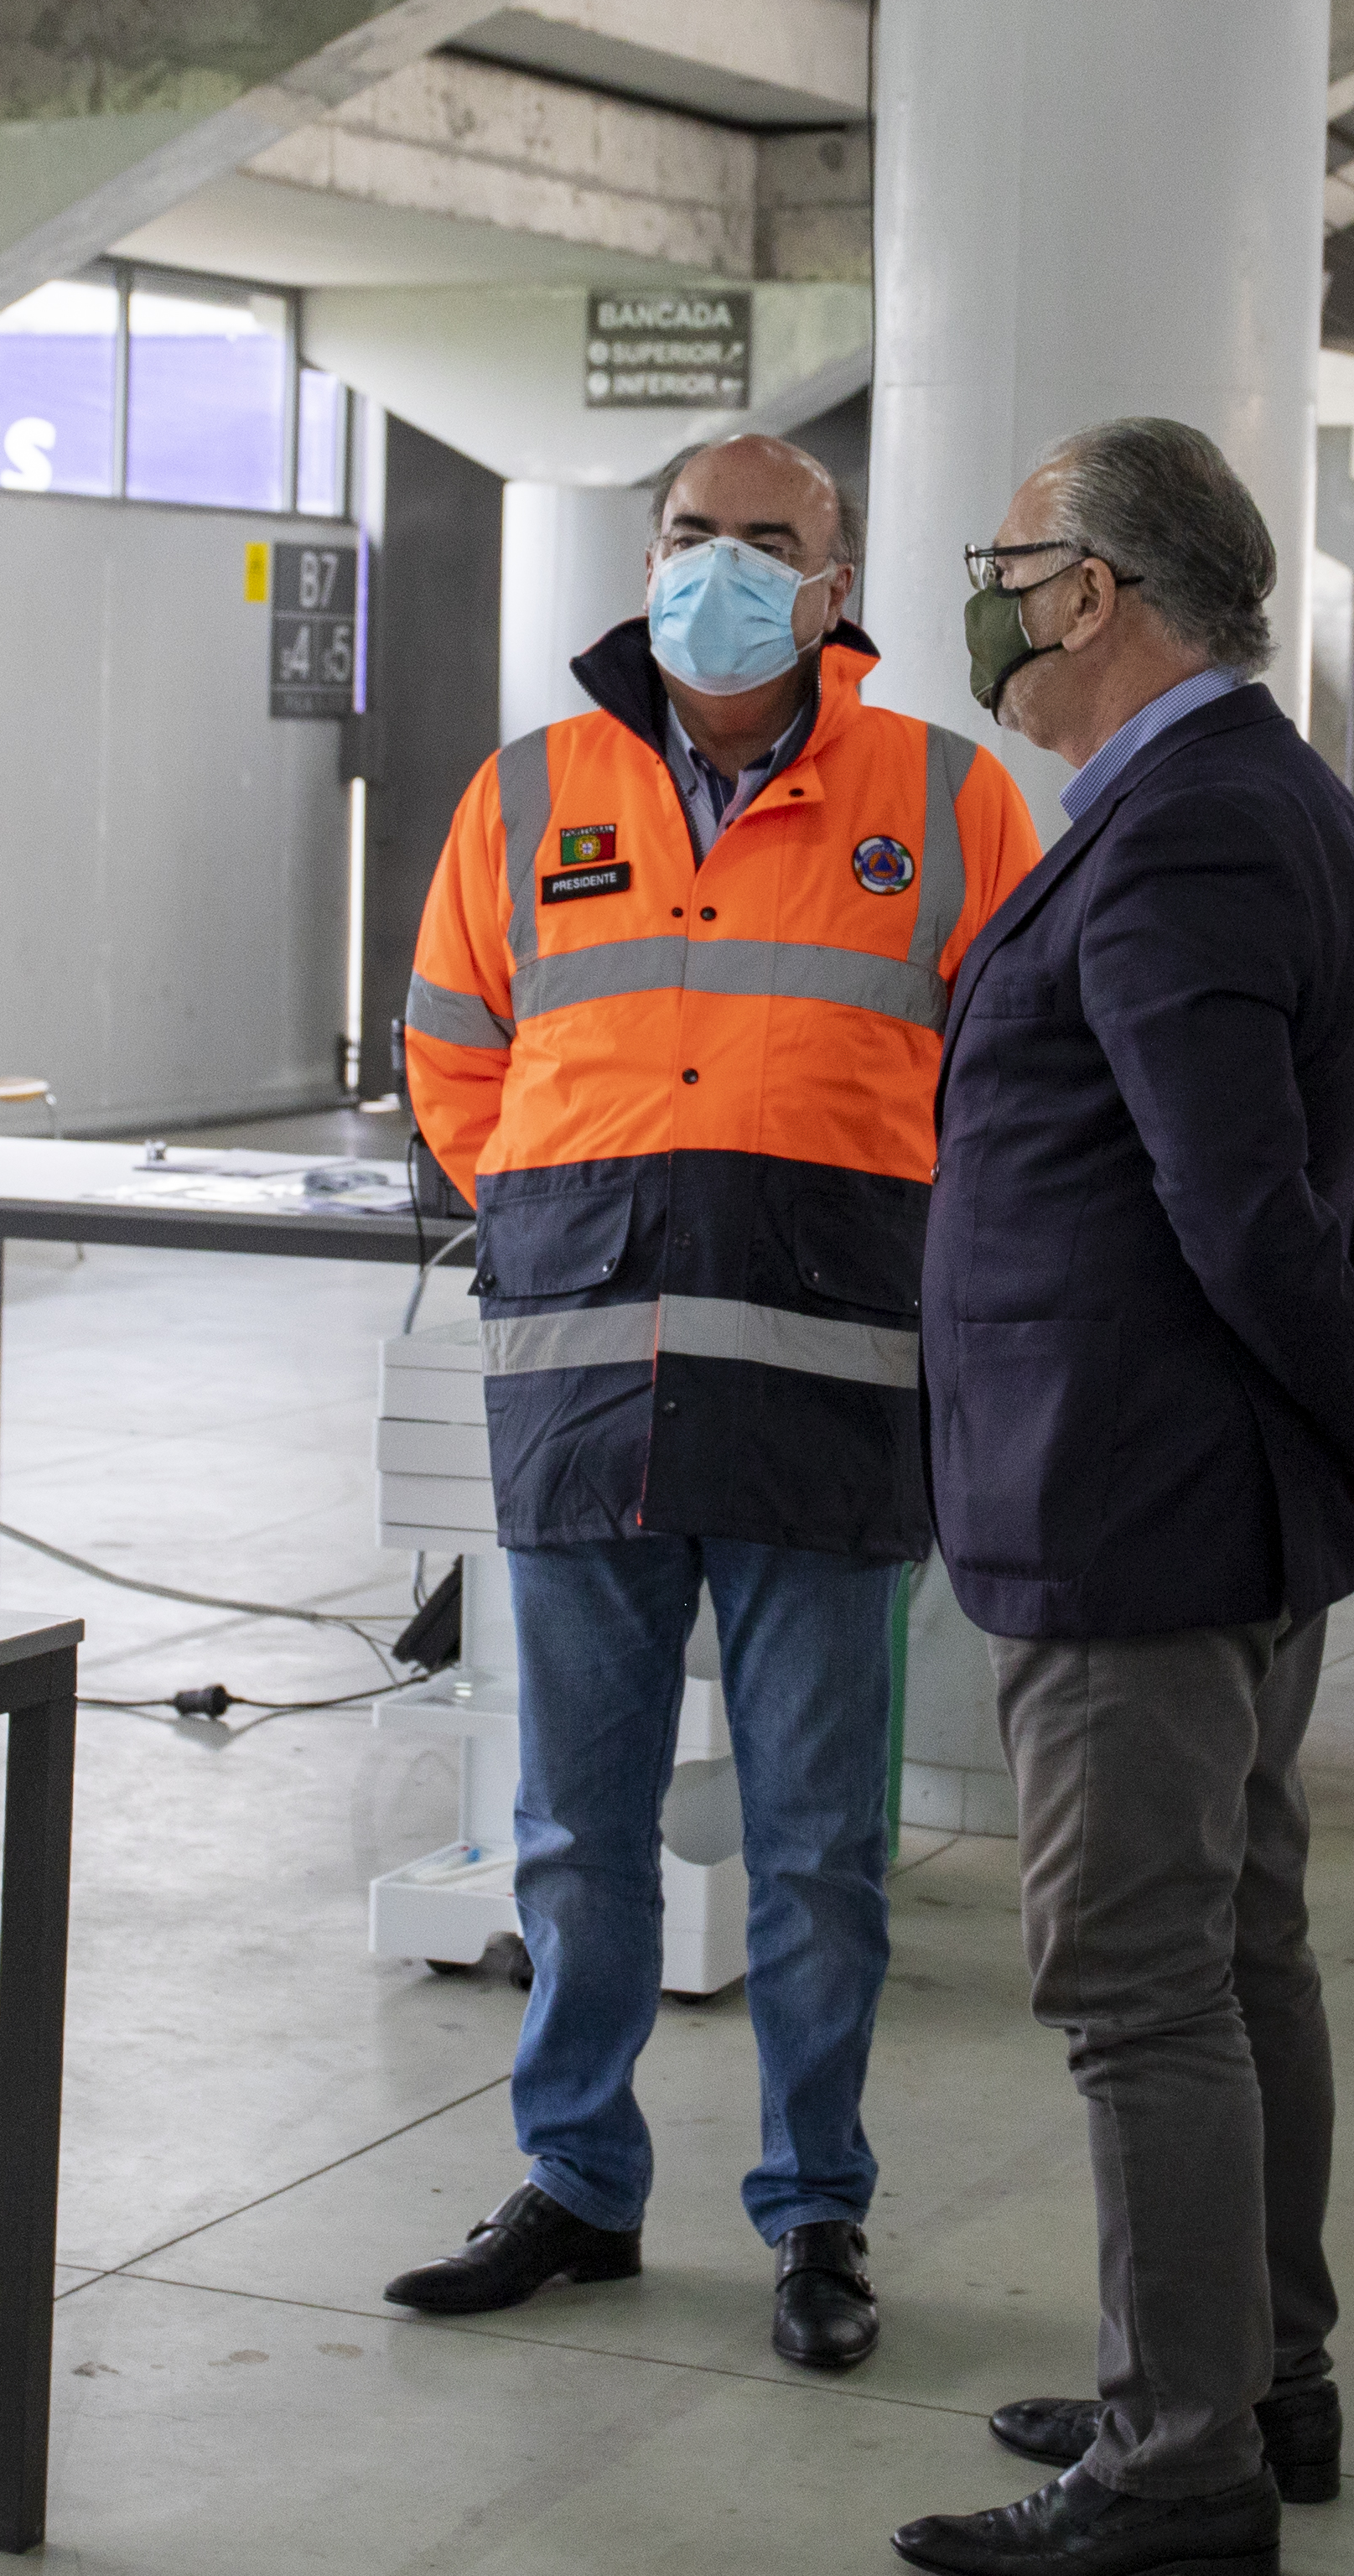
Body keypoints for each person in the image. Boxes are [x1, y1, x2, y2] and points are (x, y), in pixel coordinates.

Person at [890, 418, 1354, 2576]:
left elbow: (1242, 1205)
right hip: (1220, 1489)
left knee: (1139, 1978)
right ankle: (1246, 2378)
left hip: (1139, 1504)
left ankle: (1179, 2463)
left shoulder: (1185, 835)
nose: (988, 599)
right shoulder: (1260, 806)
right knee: (1237, 1951)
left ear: (1098, 593)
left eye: (1010, 558)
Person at [386, 436, 1040, 2369]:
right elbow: (453, 1054)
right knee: (575, 1836)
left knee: (820, 1849)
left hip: (834, 1394)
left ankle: (815, 2211)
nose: (725, 570)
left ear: (839, 582)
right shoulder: (528, 791)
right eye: (692, 536)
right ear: (642, 554)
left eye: (772, 541)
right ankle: (577, 2181)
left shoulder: (947, 796)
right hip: (586, 1385)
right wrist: (565, 1221)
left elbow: (1010, 1086)